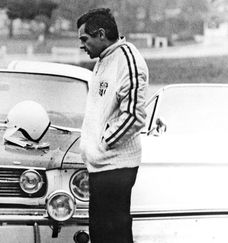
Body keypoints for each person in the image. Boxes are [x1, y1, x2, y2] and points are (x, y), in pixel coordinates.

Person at [77, 8, 149, 243]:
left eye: (84, 39)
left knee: (114, 235)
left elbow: (134, 116)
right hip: (101, 166)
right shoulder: (103, 59)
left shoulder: (128, 60)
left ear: (100, 34)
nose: (82, 46)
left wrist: (103, 145)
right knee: (100, 233)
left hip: (116, 166)